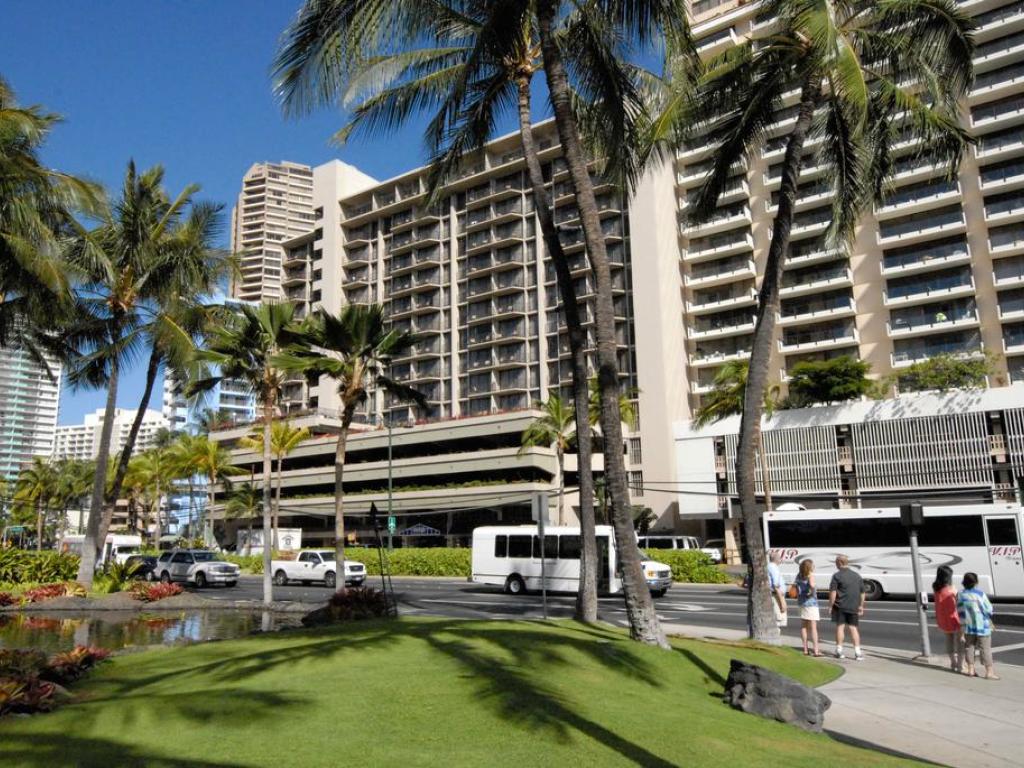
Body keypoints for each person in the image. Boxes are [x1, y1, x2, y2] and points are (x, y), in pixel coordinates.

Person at [957, 572, 998, 680]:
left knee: (969, 647)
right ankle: (989, 672)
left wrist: (962, 624)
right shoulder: (980, 594)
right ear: (976, 582)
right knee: (985, 648)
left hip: (968, 626)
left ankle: (970, 669)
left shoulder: (960, 594)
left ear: (964, 582)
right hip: (982, 626)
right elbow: (988, 609)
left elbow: (960, 611)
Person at [828, 554, 866, 660]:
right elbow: (862, 593)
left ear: (840, 563)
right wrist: (861, 606)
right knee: (853, 628)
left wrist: (830, 605)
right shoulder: (856, 575)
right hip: (853, 605)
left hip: (840, 605)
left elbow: (833, 592)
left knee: (840, 627)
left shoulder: (837, 576)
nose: (835, 565)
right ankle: (858, 653)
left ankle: (839, 651)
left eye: (836, 563)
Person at [932, 565, 962, 673]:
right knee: (960, 641)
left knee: (949, 640)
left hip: (942, 618)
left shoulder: (936, 587)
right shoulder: (950, 589)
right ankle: (960, 664)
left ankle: (952, 662)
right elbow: (958, 603)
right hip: (954, 618)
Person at [795, 558, 821, 656]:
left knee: (804, 626)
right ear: (809, 567)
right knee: (813, 627)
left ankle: (805, 649)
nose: (814, 566)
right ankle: (816, 650)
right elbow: (812, 585)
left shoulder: (799, 575)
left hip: (801, 602)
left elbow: (797, 587)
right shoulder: (810, 575)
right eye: (813, 565)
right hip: (811, 603)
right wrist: (812, 588)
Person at [767, 551, 788, 628]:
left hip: (776, 595)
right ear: (776, 559)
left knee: (778, 618)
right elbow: (776, 586)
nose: (781, 560)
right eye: (780, 558)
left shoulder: (771, 566)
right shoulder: (773, 568)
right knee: (778, 619)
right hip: (777, 595)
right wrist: (782, 603)